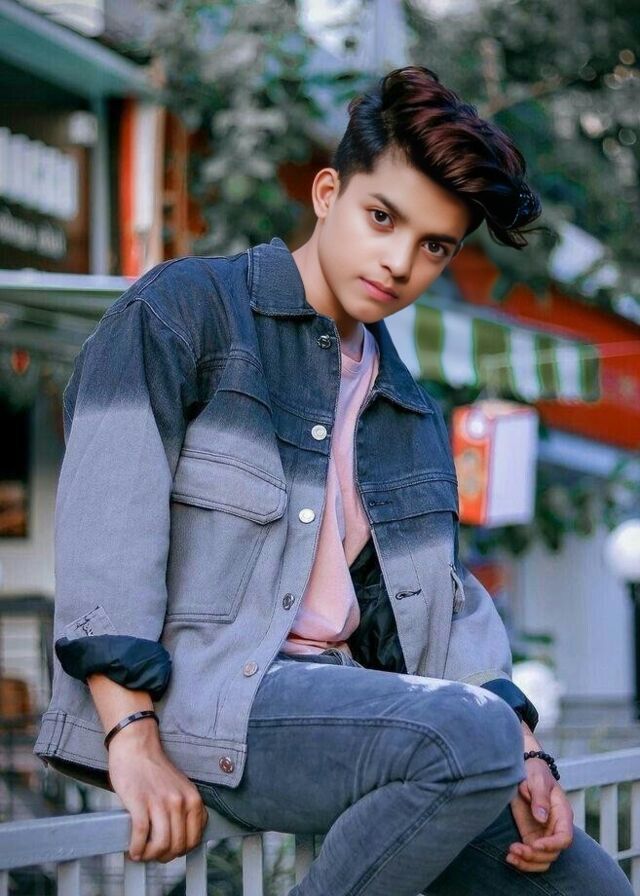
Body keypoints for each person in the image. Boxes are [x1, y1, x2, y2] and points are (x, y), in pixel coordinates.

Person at [34, 66, 632, 896]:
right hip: (212, 703)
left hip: (363, 716)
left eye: (434, 246)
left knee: (583, 882)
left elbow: (443, 604)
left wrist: (525, 753)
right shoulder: (190, 311)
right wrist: (130, 734)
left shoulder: (405, 407)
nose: (399, 262)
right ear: (327, 193)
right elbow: (108, 528)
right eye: (382, 217)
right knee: (469, 739)